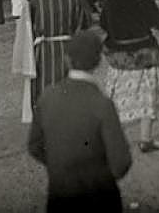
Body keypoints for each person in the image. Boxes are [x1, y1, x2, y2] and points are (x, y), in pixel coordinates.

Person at [27, 29, 133, 212]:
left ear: (67, 59)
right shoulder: (102, 104)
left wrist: (59, 165)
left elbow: (34, 145)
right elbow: (121, 161)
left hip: (60, 191)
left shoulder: (47, 97)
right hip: (100, 195)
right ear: (99, 62)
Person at [100, 0, 159, 153]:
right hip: (145, 52)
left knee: (118, 97)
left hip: (119, 54)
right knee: (147, 96)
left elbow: (104, 24)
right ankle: (146, 139)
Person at [29, 0, 92, 105]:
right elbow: (84, 22)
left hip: (44, 50)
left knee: (45, 89)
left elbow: (30, 25)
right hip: (69, 47)